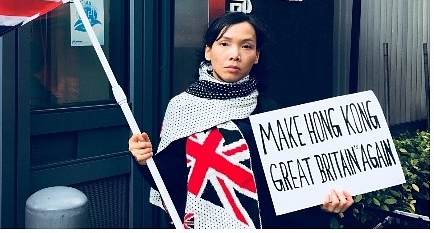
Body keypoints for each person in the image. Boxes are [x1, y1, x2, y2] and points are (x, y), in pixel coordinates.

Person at [128, 12, 354, 229]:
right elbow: (170, 181)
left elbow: (287, 185)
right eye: (224, 43)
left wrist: (324, 201)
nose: (234, 54)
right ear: (208, 51)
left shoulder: (270, 111)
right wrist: (143, 158)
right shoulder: (182, 107)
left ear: (256, 56)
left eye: (246, 46)